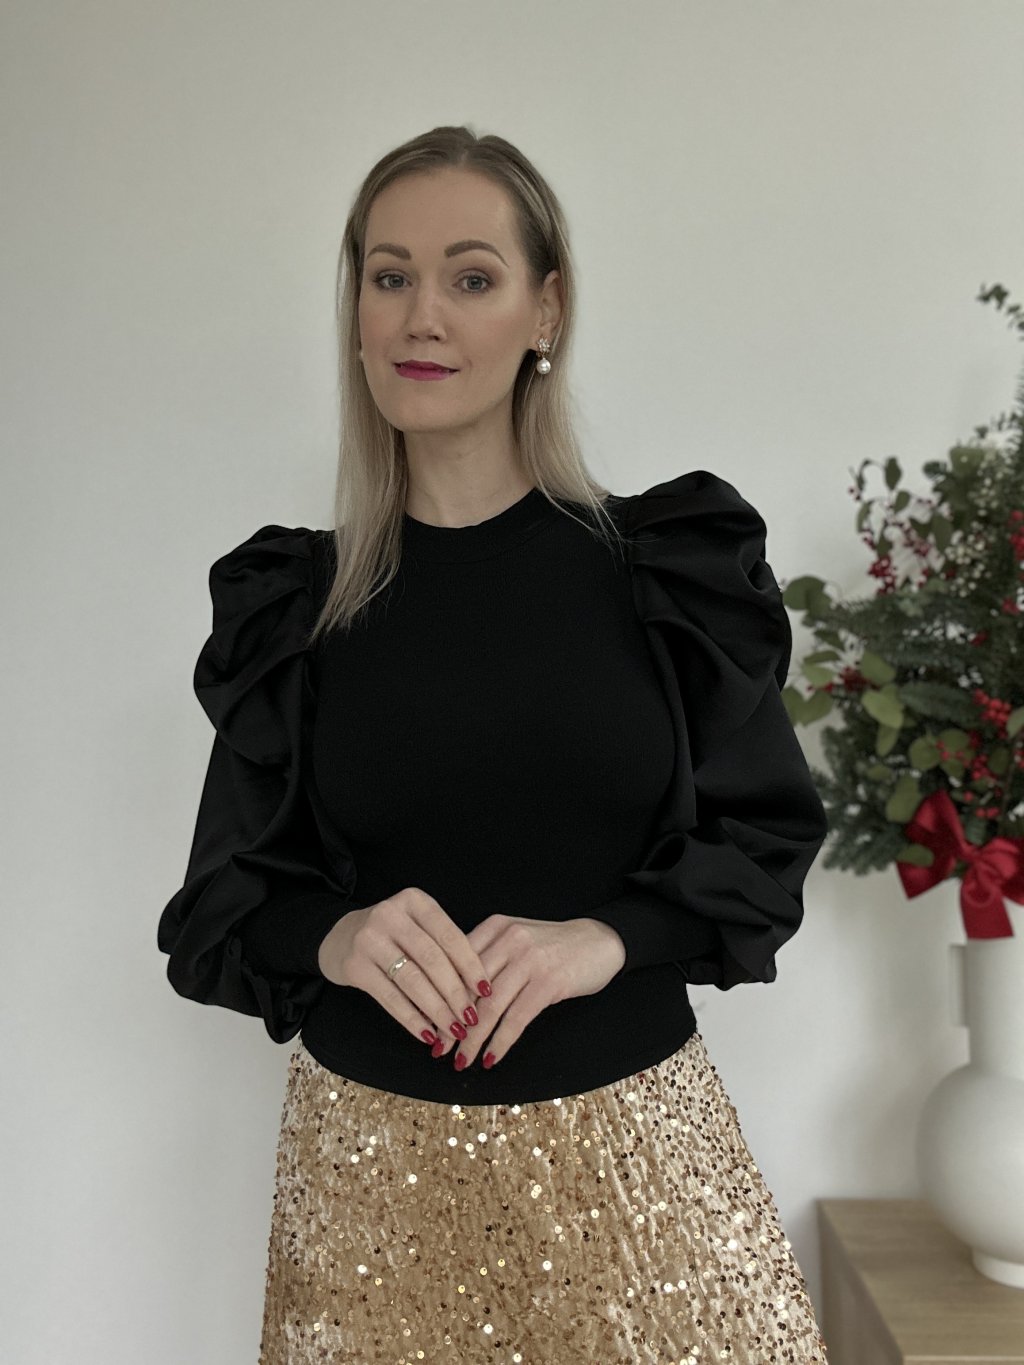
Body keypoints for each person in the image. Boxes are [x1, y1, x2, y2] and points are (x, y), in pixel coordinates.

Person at [158, 124, 832, 1364]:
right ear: (356, 310)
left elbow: (765, 846)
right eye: (390, 276)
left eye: (471, 277)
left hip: (641, 1186)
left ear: (545, 310)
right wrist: (338, 936)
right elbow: (223, 908)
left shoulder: (665, 574)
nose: (422, 317)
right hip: (370, 1190)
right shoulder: (297, 610)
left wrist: (607, 937)